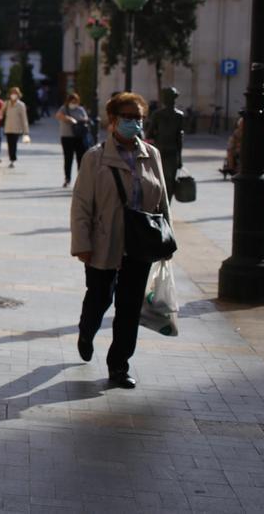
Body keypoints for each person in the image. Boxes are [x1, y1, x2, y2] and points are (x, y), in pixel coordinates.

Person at [70, 92, 172, 389]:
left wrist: (166, 240)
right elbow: (81, 204)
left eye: (138, 118)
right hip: (103, 242)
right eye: (127, 118)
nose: (134, 123)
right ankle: (87, 330)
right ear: (113, 121)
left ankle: (119, 365)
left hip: (139, 245)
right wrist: (82, 244)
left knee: (128, 308)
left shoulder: (152, 155)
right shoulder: (96, 157)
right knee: (100, 298)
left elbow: (162, 200)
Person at [146, 87, 185, 201]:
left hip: (160, 151)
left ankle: (160, 204)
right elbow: (179, 139)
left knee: (158, 179)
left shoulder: (157, 114)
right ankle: (166, 205)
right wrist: (180, 159)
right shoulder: (179, 115)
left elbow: (149, 134)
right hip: (171, 153)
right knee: (169, 182)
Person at [55, 92, 90, 187]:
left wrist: (80, 120)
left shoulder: (80, 109)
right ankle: (67, 178)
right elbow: (58, 116)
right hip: (67, 137)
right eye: (72, 101)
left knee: (81, 158)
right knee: (68, 158)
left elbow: (86, 119)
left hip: (79, 136)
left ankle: (81, 178)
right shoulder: (64, 108)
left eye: (76, 101)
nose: (74, 103)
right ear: (68, 101)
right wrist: (68, 118)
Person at [2, 87, 30, 168]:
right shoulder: (7, 103)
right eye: (12, 93)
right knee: (9, 144)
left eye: (15, 93)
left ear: (18, 95)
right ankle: (11, 157)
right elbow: (1, 111)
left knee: (13, 144)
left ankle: (12, 159)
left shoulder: (21, 105)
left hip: (16, 128)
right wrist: (0, 115)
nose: (13, 95)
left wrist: (26, 131)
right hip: (8, 127)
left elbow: (24, 118)